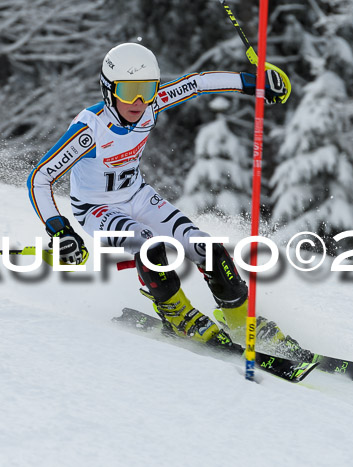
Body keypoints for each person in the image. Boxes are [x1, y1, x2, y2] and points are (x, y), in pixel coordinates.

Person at [27, 42, 305, 354]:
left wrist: (252, 83)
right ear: (108, 90)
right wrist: (60, 229)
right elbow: (40, 178)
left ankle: (240, 318)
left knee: (206, 248)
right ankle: (176, 314)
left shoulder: (151, 105)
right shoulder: (90, 131)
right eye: (127, 90)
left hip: (138, 196)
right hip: (97, 209)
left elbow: (196, 83)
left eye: (147, 89)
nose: (138, 101)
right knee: (150, 246)